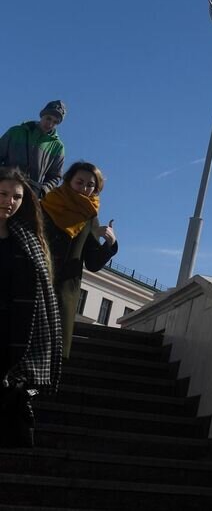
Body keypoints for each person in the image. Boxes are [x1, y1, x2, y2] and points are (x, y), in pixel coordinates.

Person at [0, 167, 62, 448]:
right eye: (2, 194)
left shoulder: (27, 242)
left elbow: (35, 300)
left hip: (11, 340)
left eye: (16, 197)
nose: (9, 202)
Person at [41, 162, 117, 357]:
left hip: (63, 294)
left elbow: (92, 263)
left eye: (90, 185)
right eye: (79, 182)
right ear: (69, 181)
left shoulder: (90, 218)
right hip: (36, 285)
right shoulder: (46, 205)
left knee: (51, 358)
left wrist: (109, 244)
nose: (84, 188)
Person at [0, 101, 67, 198]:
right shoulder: (16, 132)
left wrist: (43, 190)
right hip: (5, 186)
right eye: (48, 118)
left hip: (31, 194)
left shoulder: (58, 147)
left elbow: (55, 176)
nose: (50, 124)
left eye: (55, 122)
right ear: (42, 115)